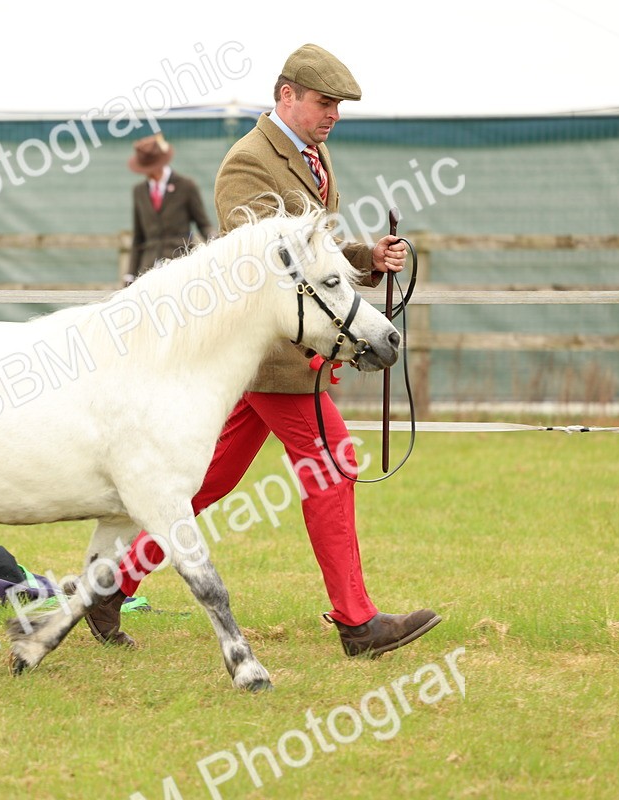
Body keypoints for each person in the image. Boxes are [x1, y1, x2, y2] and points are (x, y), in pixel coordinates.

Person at [84, 44, 440, 658]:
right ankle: (358, 622)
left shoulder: (313, 154)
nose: (332, 115)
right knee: (332, 467)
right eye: (324, 103)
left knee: (206, 479)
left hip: (289, 353)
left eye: (338, 107)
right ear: (287, 96)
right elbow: (268, 267)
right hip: (276, 355)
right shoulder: (247, 164)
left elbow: (315, 250)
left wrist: (367, 259)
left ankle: (110, 583)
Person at [125, 134, 216, 285]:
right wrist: (129, 275)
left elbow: (203, 224)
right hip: (148, 270)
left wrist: (217, 246)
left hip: (181, 265)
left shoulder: (186, 186)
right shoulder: (139, 191)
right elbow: (138, 237)